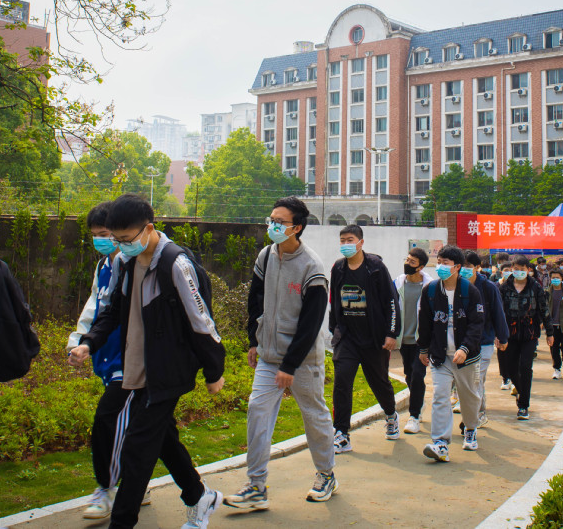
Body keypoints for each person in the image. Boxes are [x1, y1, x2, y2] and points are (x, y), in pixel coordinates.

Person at [69, 194, 226, 529]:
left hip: (167, 371)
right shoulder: (126, 263)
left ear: (149, 229)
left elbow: (201, 321)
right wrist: (89, 343)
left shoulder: (175, 264)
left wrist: (214, 371)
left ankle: (122, 522)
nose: (122, 246)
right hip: (137, 369)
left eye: (126, 239)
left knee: (137, 449)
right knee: (163, 438)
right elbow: (112, 310)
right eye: (117, 239)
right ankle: (200, 496)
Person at [224, 197, 336, 512]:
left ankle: (326, 474)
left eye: (280, 221)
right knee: (257, 411)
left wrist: (290, 365)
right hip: (269, 355)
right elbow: (255, 299)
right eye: (271, 219)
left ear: (296, 227)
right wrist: (254, 340)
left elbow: (312, 323)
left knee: (313, 415)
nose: (272, 225)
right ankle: (256, 487)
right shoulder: (267, 255)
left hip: (302, 361)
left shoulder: (312, 266)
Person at [65, 202, 149, 519]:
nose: (101, 239)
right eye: (96, 235)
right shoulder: (103, 266)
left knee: (107, 420)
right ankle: (137, 484)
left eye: (105, 233)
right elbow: (95, 306)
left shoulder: (135, 265)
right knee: (148, 429)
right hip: (106, 355)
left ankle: (105, 488)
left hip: (129, 360)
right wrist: (81, 341)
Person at [329, 225, 400, 452]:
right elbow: (334, 300)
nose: (345, 244)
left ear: (361, 242)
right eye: (342, 240)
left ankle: (391, 414)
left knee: (379, 382)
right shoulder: (338, 268)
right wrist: (335, 329)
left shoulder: (375, 267)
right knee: (342, 383)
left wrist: (391, 333)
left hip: (373, 339)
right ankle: (341, 433)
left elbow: (391, 300)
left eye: (350, 239)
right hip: (347, 338)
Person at [417, 246, 485, 460]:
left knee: (469, 397)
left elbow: (476, 324)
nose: (441, 267)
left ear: (457, 267)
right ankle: (440, 443)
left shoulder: (470, 292)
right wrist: (423, 348)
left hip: (467, 358)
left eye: (445, 263)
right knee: (440, 396)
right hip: (440, 356)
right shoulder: (430, 291)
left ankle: (471, 429)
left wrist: (465, 348)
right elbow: (425, 323)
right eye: (439, 262)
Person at [499, 256, 553, 420]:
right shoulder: (505, 287)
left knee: (525, 367)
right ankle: (520, 391)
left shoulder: (535, 287)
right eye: (516, 269)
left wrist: (550, 333)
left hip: (530, 333)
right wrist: (498, 334)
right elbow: (498, 311)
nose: (519, 272)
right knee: (511, 368)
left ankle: (523, 406)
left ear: (528, 270)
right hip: (510, 333)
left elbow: (544, 310)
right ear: (512, 268)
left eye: (522, 269)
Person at [461, 252, 508, 432]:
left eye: (468, 266)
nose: (464, 270)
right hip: (462, 343)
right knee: (471, 380)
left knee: (476, 378)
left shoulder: (489, 288)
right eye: (461, 265)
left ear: (477, 267)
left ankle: (475, 416)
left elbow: (498, 313)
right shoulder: (456, 286)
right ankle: (478, 412)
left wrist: (502, 337)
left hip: (484, 341)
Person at [394, 247, 434, 434]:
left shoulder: (430, 287)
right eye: (407, 259)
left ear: (421, 267)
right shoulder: (398, 283)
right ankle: (420, 401)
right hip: (404, 340)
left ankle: (414, 416)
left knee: (418, 374)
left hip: (421, 341)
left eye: (412, 262)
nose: (407, 263)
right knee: (410, 375)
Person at [547, 268, 563, 379]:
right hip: (552, 325)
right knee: (554, 348)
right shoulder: (547, 292)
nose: (555, 280)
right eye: (553, 278)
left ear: (562, 278)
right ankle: (557, 369)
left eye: (557, 278)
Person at [496, 259, 514, 392]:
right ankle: (505, 377)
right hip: (501, 324)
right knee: (502, 352)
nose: (508, 273)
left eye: (510, 271)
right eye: (506, 271)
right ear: (501, 272)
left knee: (514, 352)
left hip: (514, 324)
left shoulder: (516, 286)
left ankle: (514, 378)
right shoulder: (496, 286)